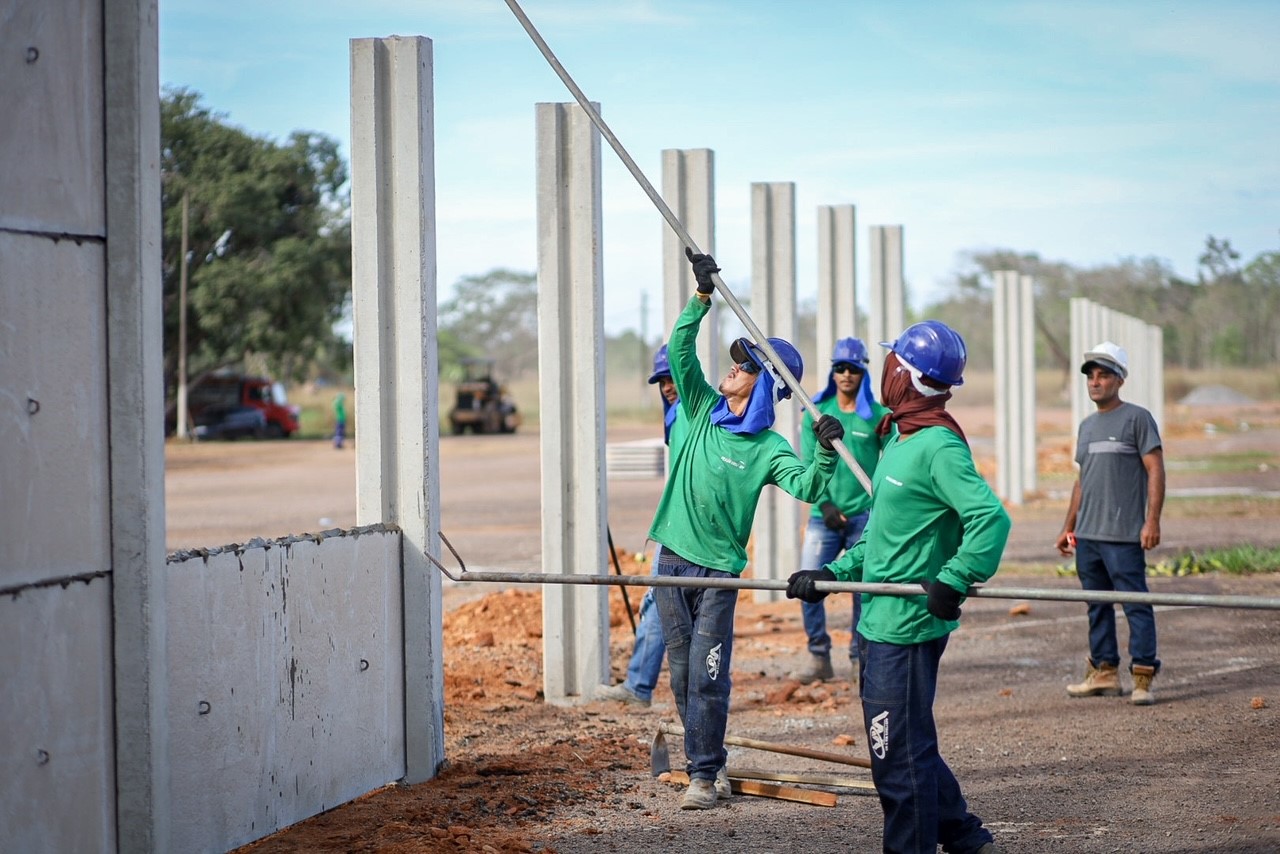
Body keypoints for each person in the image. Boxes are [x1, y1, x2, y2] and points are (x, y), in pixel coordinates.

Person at [787, 320, 1009, 854]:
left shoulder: (937, 447)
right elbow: (884, 540)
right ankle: (965, 838)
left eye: (891, 363)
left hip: (907, 625)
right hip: (881, 618)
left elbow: (991, 520)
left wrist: (954, 578)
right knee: (910, 745)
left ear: (903, 376)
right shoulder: (899, 438)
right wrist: (832, 575)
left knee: (894, 758)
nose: (881, 370)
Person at [650, 247, 845, 811]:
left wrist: (827, 448)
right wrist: (702, 297)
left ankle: (704, 777)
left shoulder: (768, 447)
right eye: (736, 360)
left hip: (718, 572)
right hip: (671, 560)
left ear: (763, 386)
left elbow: (809, 486)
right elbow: (682, 349)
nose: (732, 367)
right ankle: (705, 761)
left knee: (708, 676)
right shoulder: (697, 406)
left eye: (746, 365)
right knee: (683, 674)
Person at [1055, 341, 1165, 705]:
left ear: (1120, 379)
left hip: (1123, 536)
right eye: (1091, 376)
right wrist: (1067, 526)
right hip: (1087, 537)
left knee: (1135, 603)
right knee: (1096, 605)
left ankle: (1143, 677)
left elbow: (1155, 470)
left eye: (1103, 375)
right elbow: (1081, 481)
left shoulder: (1137, 418)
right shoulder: (1086, 426)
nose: (1095, 382)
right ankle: (1104, 672)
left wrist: (1152, 521)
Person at [791, 337, 892, 685]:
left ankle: (857, 656)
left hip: (864, 515)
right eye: (840, 368)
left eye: (853, 369)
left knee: (863, 588)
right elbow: (808, 464)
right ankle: (818, 654)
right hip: (825, 516)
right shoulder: (816, 413)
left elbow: (889, 462)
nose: (846, 374)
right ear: (833, 373)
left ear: (863, 372)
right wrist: (825, 504)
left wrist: (879, 503)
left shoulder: (878, 417)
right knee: (808, 580)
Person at [598, 345, 685, 707]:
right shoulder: (677, 415)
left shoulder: (690, 414)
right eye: (661, 381)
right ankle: (641, 685)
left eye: (671, 378)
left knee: (662, 602)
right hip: (677, 523)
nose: (666, 386)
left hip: (683, 527)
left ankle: (641, 686)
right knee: (660, 602)